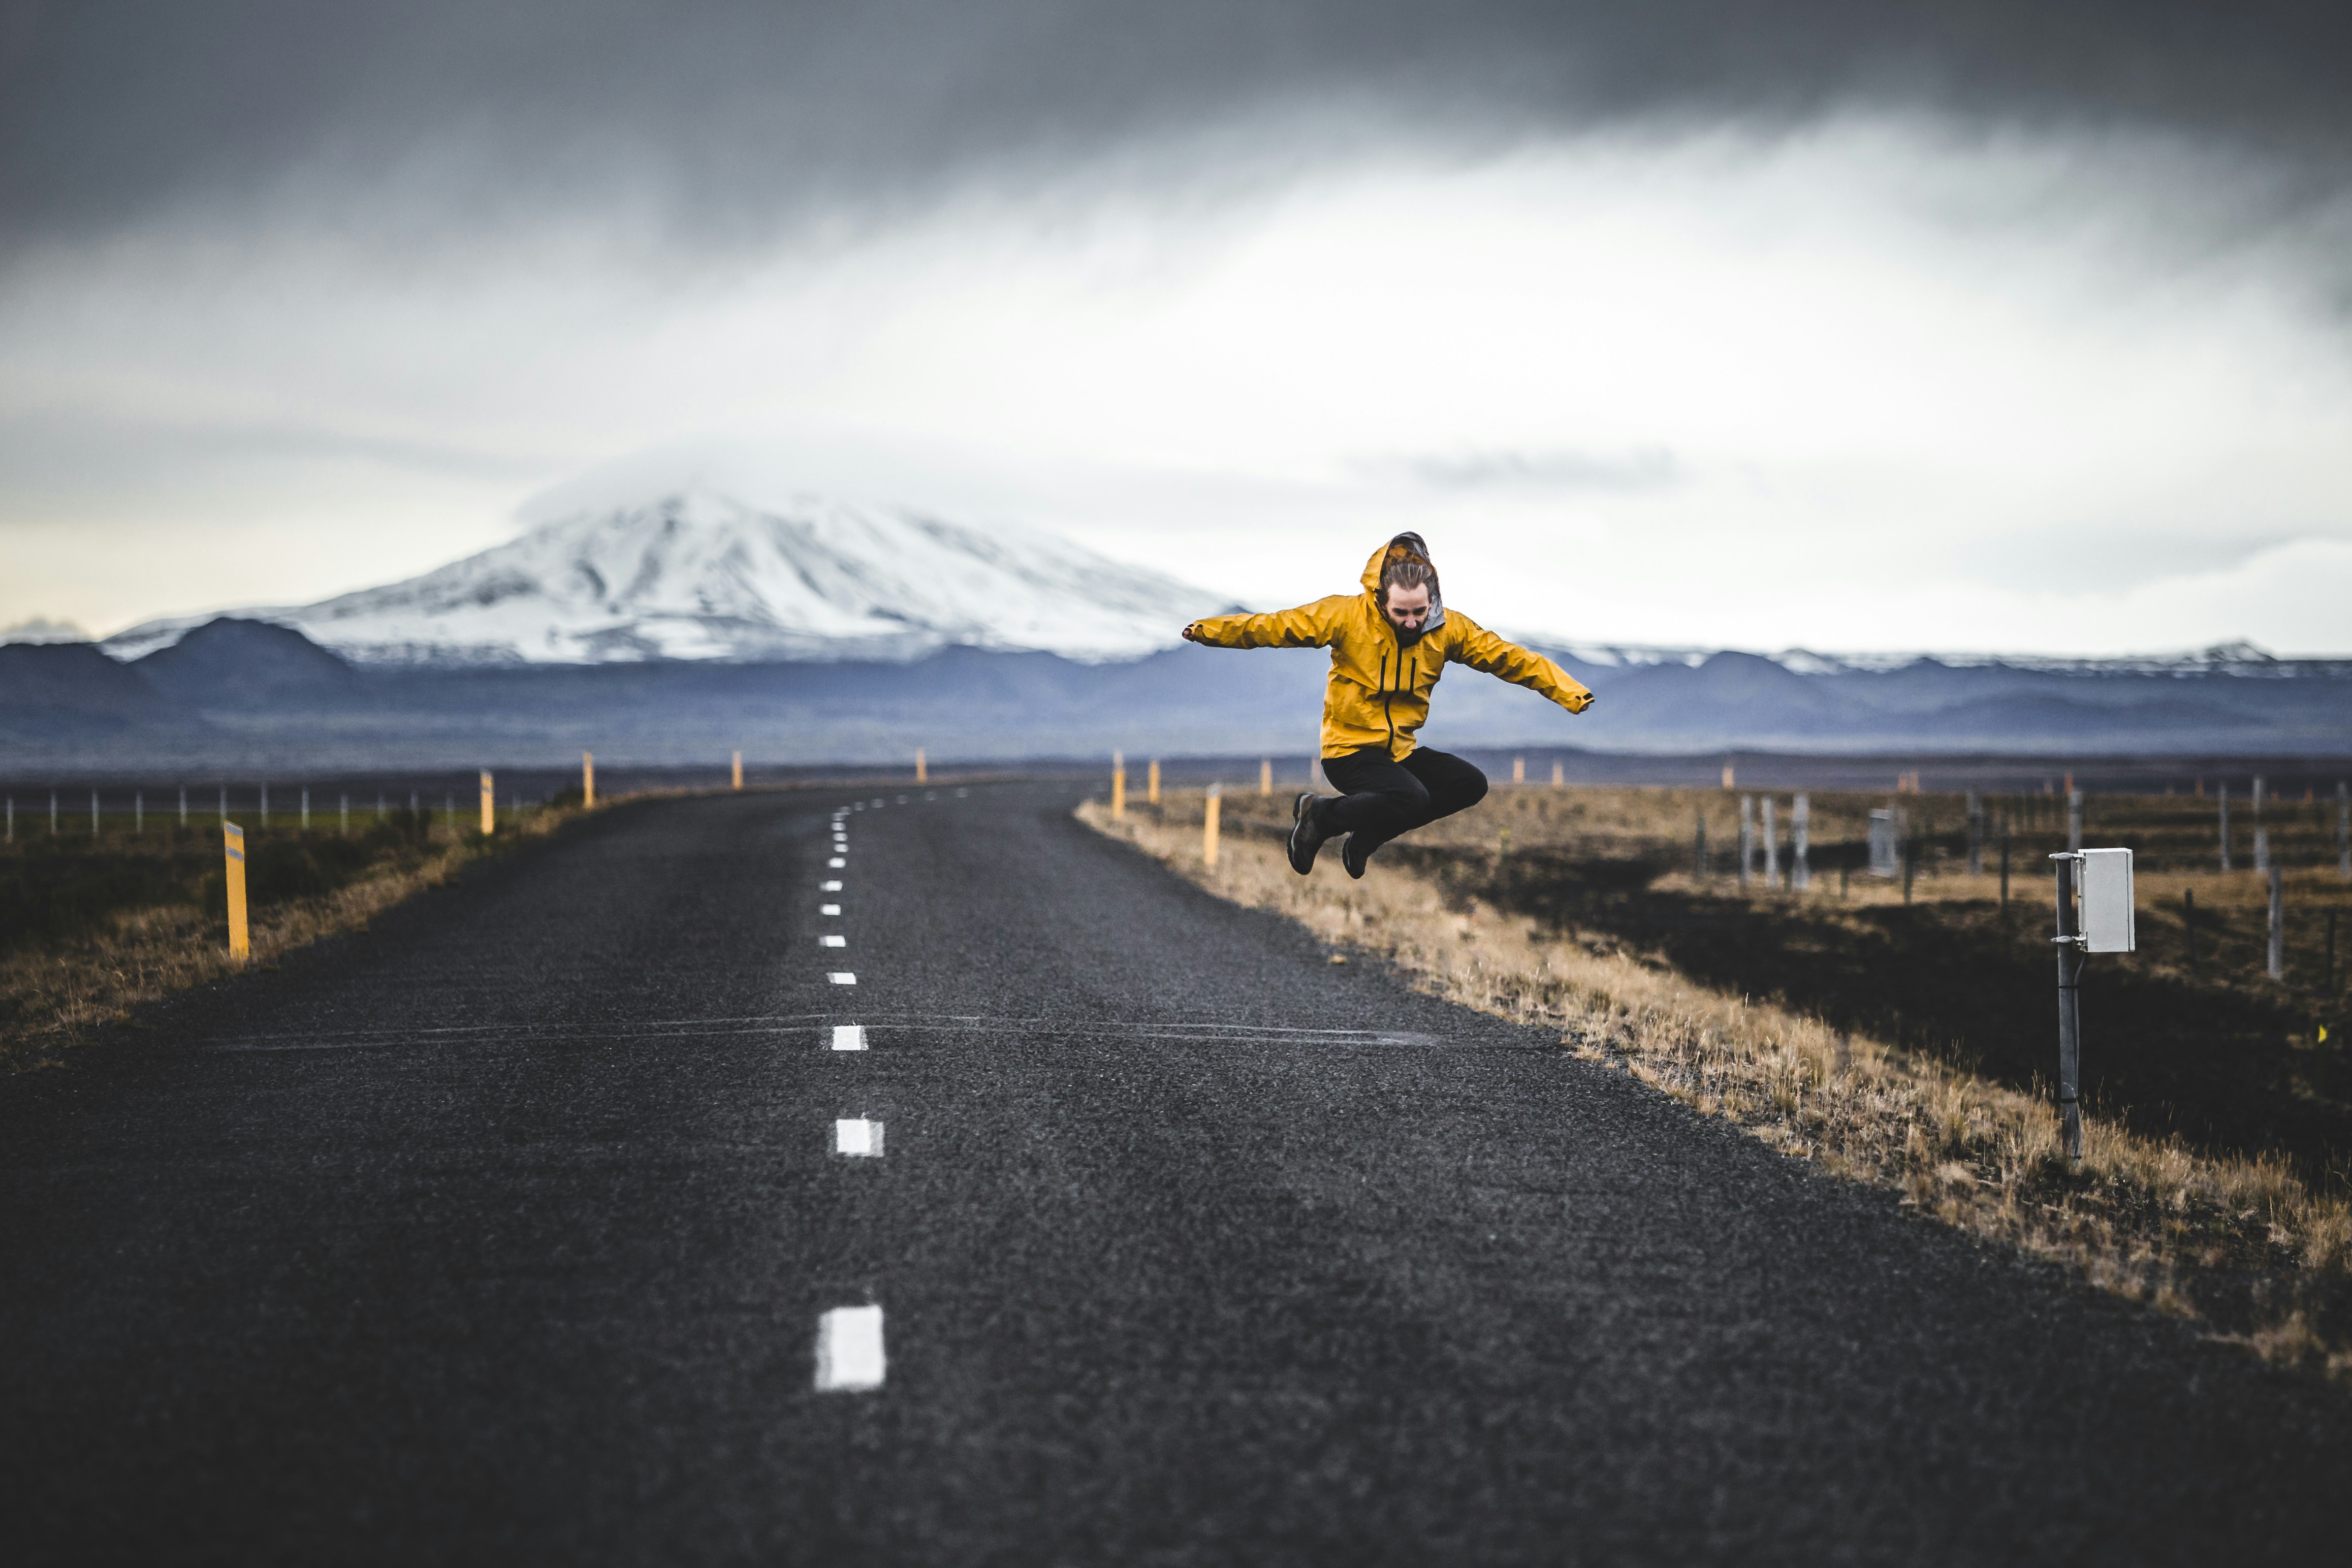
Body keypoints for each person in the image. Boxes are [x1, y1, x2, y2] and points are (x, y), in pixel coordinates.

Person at [1182, 533, 1597, 878]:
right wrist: (1209, 630)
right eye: (1402, 612)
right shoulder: (1346, 616)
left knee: (1469, 783)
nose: (1413, 622)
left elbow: (1511, 658)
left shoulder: (1448, 629)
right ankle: (1319, 815)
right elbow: (1272, 627)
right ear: (1381, 599)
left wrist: (1568, 691)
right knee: (1412, 797)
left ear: (1433, 599)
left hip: (1398, 753)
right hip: (1348, 751)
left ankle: (1367, 837)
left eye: (1421, 611)